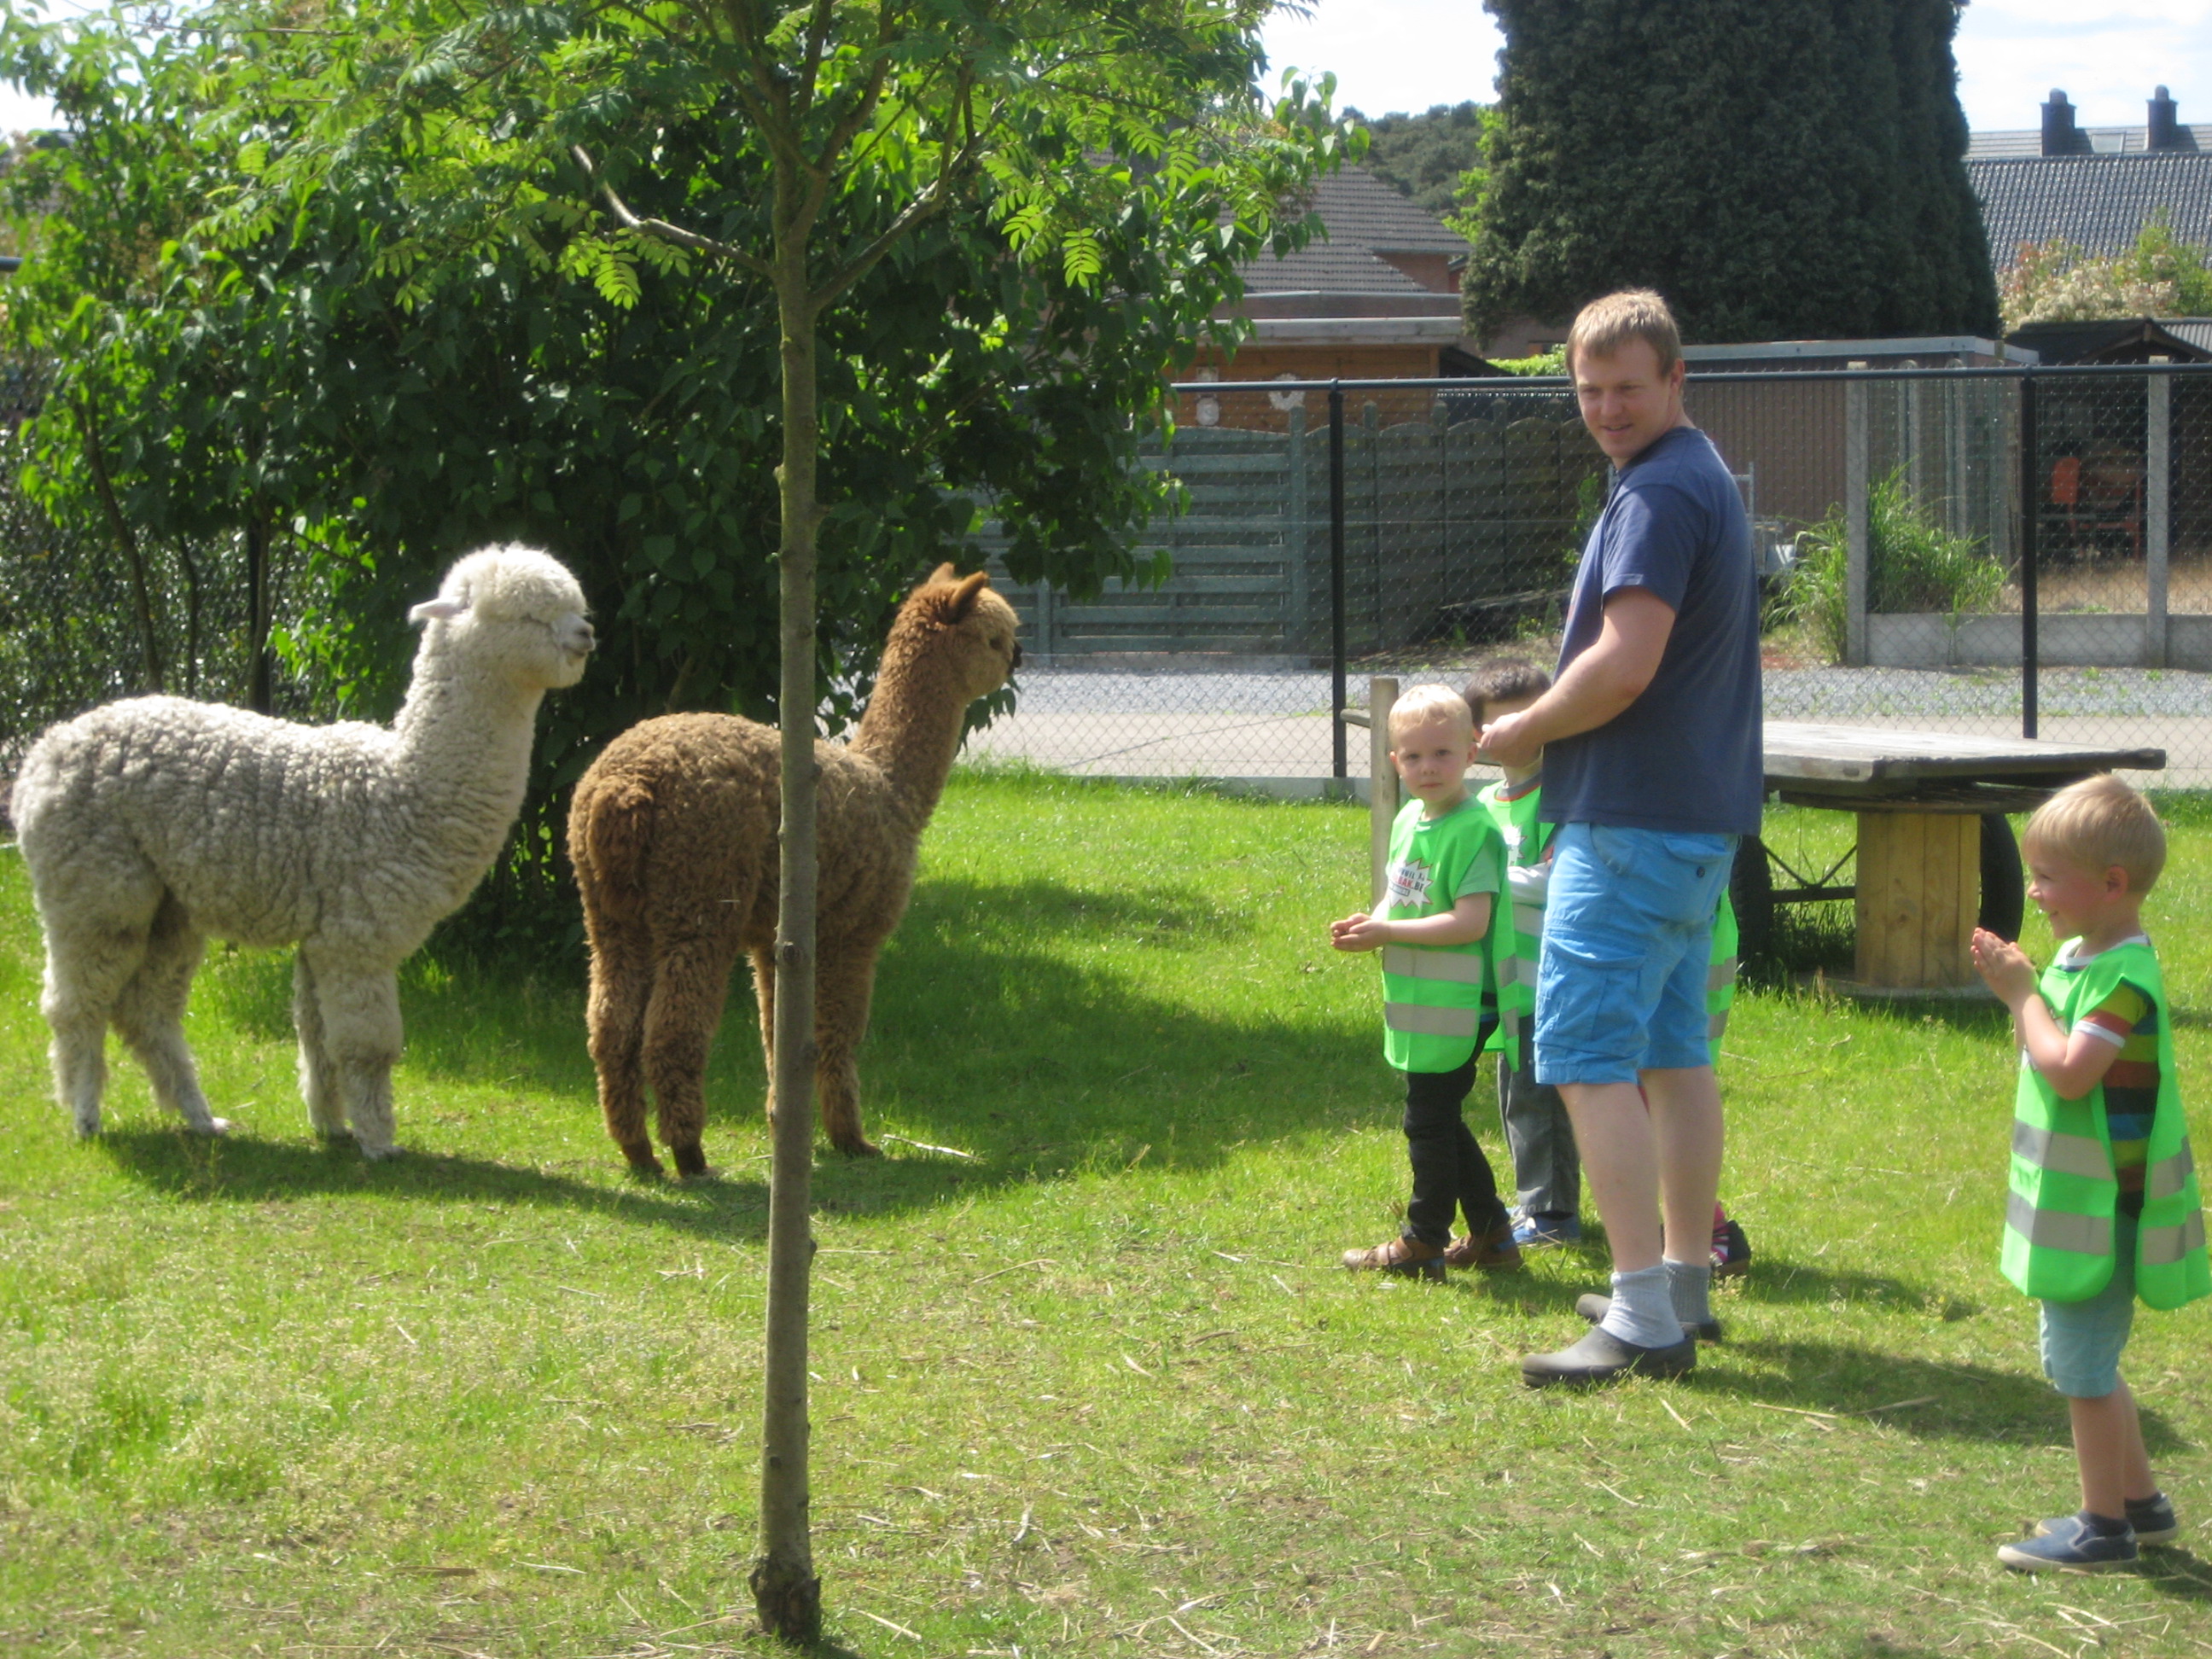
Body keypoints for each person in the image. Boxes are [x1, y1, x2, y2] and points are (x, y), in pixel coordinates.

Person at [1477, 288, 1763, 1387]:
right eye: (1588, 391)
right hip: (1692, 826)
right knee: (1673, 1054)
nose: (1605, 408)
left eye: (1626, 388)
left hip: (1635, 824)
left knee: (1586, 1055)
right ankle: (1681, 1282)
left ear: (1675, 379)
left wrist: (1527, 730)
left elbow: (1627, 660)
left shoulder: (1657, 494)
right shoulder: (1696, 478)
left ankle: (1643, 1314)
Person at [1969, 776, 2209, 1571]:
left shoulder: (2121, 980)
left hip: (2106, 1213)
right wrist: (2037, 988)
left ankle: (2103, 1527)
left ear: (2111, 885)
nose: (2032, 891)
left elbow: (2070, 1072)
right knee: (2089, 1361)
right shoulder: (2083, 956)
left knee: (2079, 1370)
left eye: (2045, 876)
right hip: (2077, 1207)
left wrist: (2019, 995)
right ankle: (2142, 1503)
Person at [1464, 657, 1753, 1293]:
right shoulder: (1487, 804)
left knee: (1647, 1082)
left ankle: (1703, 1234)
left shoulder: (1575, 792)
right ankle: (1551, 1211)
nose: (1531, 732)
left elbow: (1560, 879)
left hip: (1603, 965)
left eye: (1542, 713)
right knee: (1535, 1090)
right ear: (1480, 737)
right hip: (1531, 976)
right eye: (1509, 723)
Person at [1330, 684, 1519, 1280]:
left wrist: (1390, 933)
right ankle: (1491, 1236)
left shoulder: (1474, 830)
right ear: (1394, 763)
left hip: (1462, 1004)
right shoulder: (1412, 817)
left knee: (1427, 1121)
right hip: (1421, 1002)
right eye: (1413, 757)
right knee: (1440, 1119)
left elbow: (1470, 922)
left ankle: (1423, 1242)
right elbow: (1402, 892)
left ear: (1472, 751)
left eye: (1441, 753)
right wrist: (1376, 919)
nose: (1427, 768)